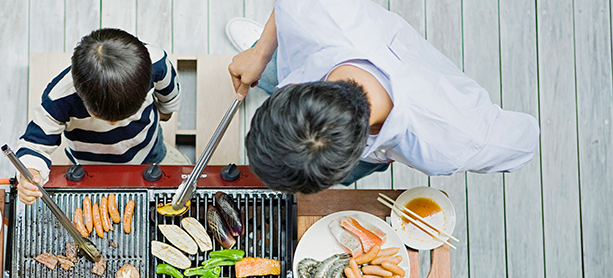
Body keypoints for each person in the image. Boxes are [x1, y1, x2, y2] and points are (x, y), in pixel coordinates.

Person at [227, 0, 540, 194]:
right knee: (271, 69)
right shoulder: (314, 11)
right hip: (311, 46)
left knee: (358, 173)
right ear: (296, 89)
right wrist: (261, 52)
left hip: (405, 128)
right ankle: (269, 68)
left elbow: (523, 144)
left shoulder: (453, 141)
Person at [16, 28, 185, 204]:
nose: (114, 124)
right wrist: (31, 172)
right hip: (88, 164)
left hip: (148, 151)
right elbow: (34, 146)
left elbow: (170, 95)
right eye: (105, 119)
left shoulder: (156, 63)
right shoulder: (58, 98)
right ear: (81, 94)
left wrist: (166, 110)